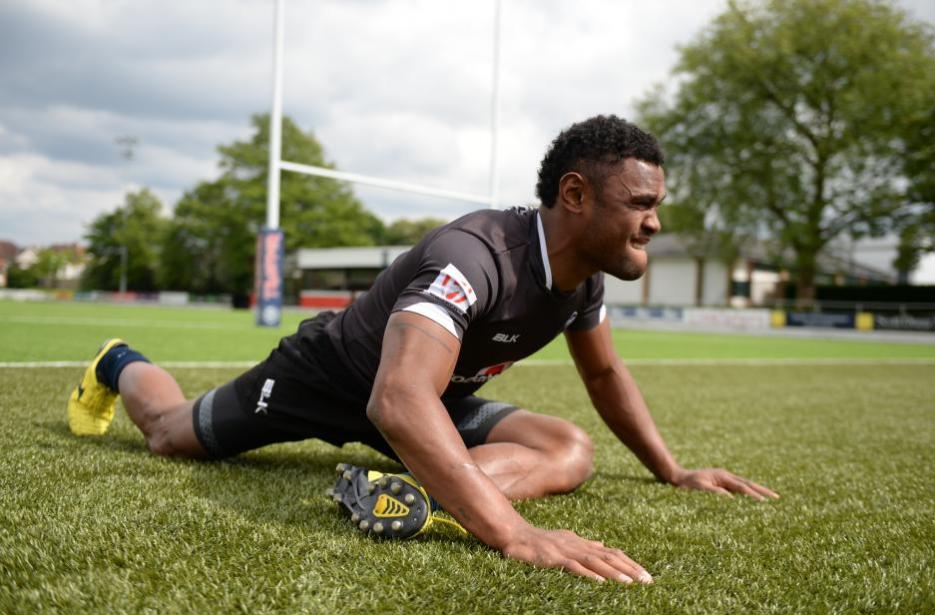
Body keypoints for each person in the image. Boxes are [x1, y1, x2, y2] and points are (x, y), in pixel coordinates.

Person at [68, 115, 777, 585]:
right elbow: (396, 398)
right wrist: (514, 534)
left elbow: (605, 373)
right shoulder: (474, 254)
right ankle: (117, 359)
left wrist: (673, 469)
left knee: (567, 445)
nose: (654, 221)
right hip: (331, 377)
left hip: (435, 399)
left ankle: (408, 493)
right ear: (576, 194)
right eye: (641, 203)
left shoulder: (582, 279)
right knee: (167, 436)